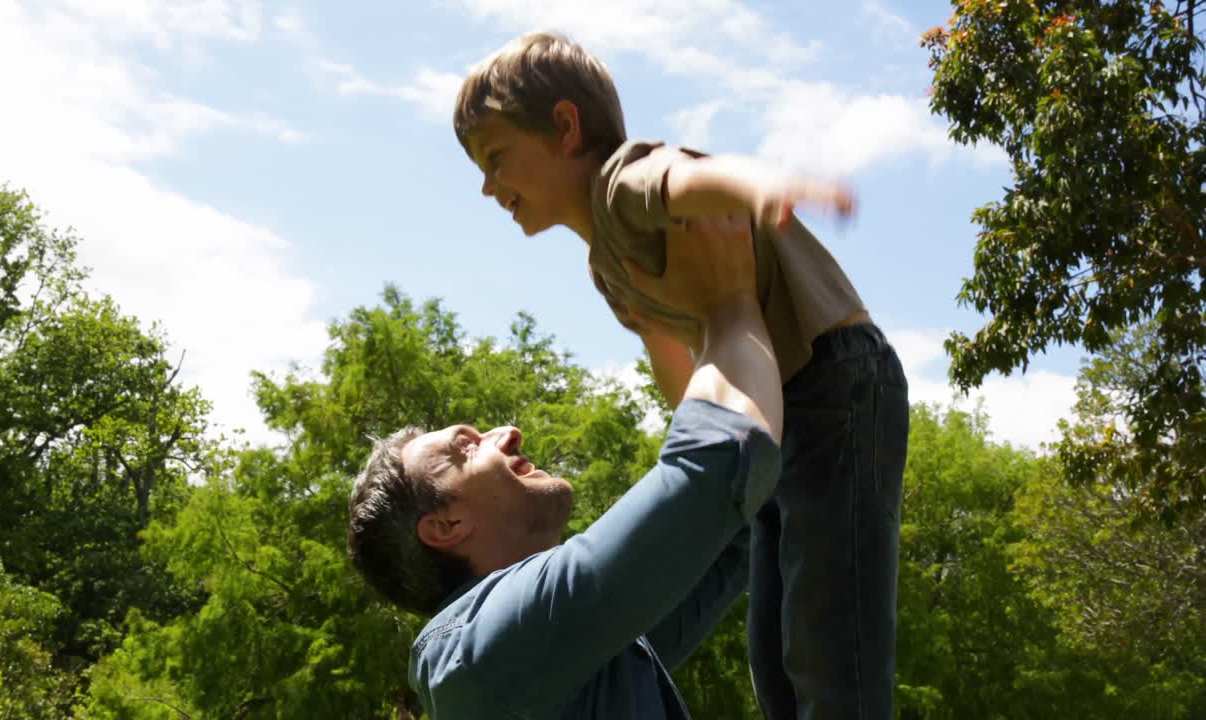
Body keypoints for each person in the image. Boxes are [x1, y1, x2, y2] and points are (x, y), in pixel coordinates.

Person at [451, 31, 910, 719]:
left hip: (834, 384)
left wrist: (763, 185)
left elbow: (684, 181)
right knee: (777, 660)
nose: (488, 186)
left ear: (565, 127)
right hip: (780, 425)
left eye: (496, 158)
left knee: (830, 645)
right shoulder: (605, 266)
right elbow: (678, 368)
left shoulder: (619, 182)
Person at [349, 217, 783, 718]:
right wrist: (729, 299)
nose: (507, 432)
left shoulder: (562, 655)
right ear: (445, 526)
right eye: (465, 448)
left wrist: (650, 320)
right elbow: (716, 468)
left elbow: (727, 529)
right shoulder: (487, 651)